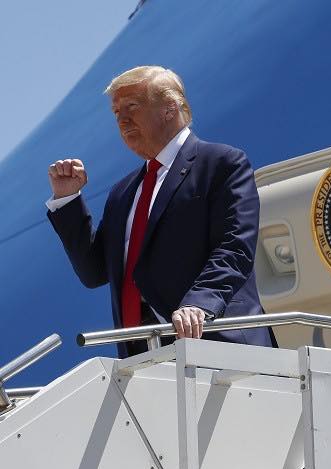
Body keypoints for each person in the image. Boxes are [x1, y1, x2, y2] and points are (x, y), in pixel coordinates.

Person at [47, 66, 276, 357]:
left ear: (169, 108)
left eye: (132, 106)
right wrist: (67, 200)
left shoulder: (221, 164)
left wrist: (200, 303)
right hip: (143, 357)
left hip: (216, 344)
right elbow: (94, 272)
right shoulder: (123, 193)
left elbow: (234, 248)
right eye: (116, 112)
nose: (122, 119)